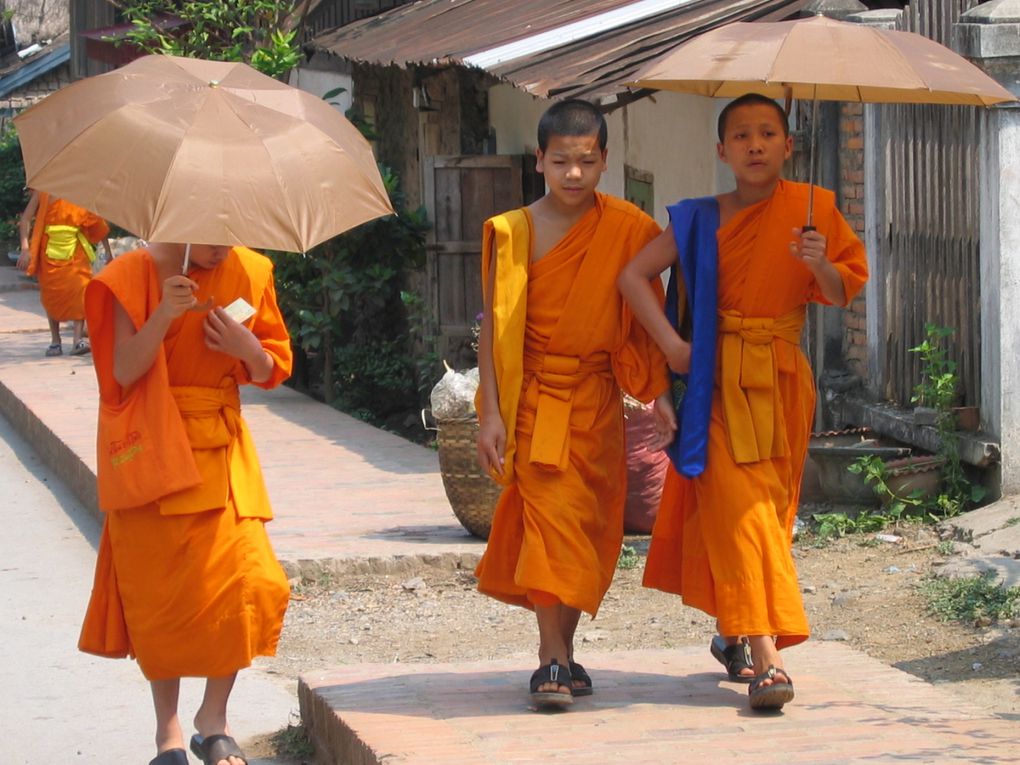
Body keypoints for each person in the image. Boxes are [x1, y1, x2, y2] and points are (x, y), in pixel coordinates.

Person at [617, 93, 868, 711]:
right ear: (721, 151)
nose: (755, 145)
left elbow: (841, 292)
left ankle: (734, 627)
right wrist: (673, 346)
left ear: (788, 145)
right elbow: (631, 276)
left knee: (769, 514)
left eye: (767, 133)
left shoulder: (816, 210)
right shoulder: (700, 218)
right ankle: (767, 658)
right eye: (741, 135)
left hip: (781, 379)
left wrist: (820, 263)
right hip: (715, 380)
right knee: (741, 510)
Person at [474, 99, 676, 710]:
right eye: (560, 160)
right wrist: (491, 413)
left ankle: (565, 649)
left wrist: (660, 396)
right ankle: (550, 658)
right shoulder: (510, 234)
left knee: (588, 532)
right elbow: (493, 332)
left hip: (597, 404)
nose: (572, 175)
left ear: (605, 162)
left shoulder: (629, 229)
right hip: (535, 399)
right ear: (539, 159)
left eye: (586, 162)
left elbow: (644, 324)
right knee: (549, 528)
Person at [78, 241, 293, 765]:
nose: (222, 248)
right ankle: (168, 733)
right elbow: (121, 373)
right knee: (162, 596)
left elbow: (271, 368)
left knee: (254, 585)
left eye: (231, 230)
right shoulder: (130, 275)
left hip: (221, 450)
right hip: (154, 448)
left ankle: (212, 719)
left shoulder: (251, 269)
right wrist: (162, 316)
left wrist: (248, 350)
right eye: (211, 234)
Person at [17, 189, 113, 356]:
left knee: (81, 290)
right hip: (49, 253)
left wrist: (108, 250)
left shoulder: (80, 192)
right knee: (51, 295)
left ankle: (77, 340)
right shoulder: (43, 192)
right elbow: (25, 219)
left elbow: (97, 223)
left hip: (75, 252)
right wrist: (25, 249)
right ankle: (55, 340)